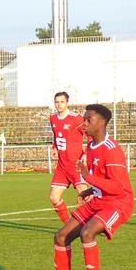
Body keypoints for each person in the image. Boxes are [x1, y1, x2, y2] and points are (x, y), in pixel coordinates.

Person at [39, 104, 133, 270]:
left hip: (118, 203)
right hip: (99, 200)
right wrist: (89, 190)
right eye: (84, 119)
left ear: (102, 122)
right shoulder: (91, 146)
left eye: (89, 120)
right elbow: (102, 179)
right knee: (61, 236)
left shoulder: (112, 150)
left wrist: (88, 178)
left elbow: (118, 187)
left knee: (87, 233)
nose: (84, 123)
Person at [49, 91, 88, 224]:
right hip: (62, 166)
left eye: (62, 102)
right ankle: (68, 226)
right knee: (54, 197)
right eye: (56, 102)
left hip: (76, 165)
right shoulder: (53, 118)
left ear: (67, 103)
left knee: (86, 198)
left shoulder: (76, 118)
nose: (59, 104)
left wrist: (87, 154)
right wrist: (55, 147)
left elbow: (90, 135)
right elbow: (56, 135)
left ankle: (96, 223)